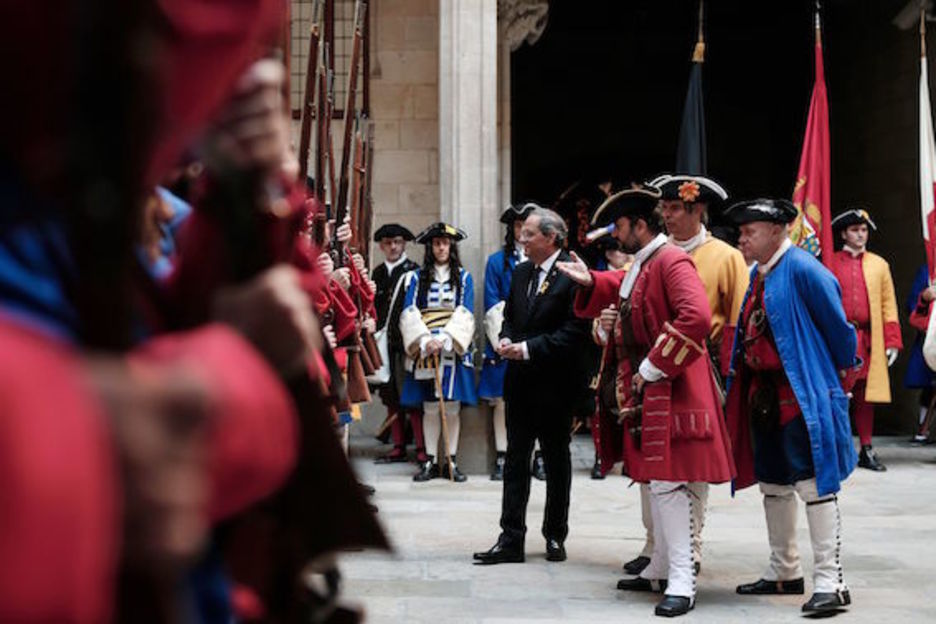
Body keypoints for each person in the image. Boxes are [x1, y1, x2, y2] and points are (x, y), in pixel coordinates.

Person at [557, 186, 736, 618]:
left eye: (620, 226)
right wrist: (592, 281)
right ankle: (660, 565)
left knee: (670, 485)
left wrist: (653, 366)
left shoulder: (671, 259)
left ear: (640, 225)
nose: (616, 235)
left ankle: (681, 579)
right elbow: (623, 286)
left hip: (674, 385)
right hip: (655, 390)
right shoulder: (648, 261)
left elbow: (693, 317)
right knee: (657, 481)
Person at [724, 198, 857, 617]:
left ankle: (830, 581)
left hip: (801, 396)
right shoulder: (760, 273)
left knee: (814, 485)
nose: (742, 237)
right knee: (774, 483)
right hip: (764, 398)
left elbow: (841, 333)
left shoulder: (803, 268)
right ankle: (784, 571)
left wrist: (833, 384)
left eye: (751, 231)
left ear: (778, 230)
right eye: (741, 231)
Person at [614, 174, 748, 576]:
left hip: (696, 370)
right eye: (665, 209)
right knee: (654, 468)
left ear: (697, 210)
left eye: (675, 209)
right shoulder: (656, 255)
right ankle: (657, 548)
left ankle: (688, 550)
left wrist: (728, 378)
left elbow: (735, 321)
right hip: (653, 372)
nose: (667, 216)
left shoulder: (724, 256)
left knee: (690, 468)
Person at [473, 207, 590, 566]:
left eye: (528, 235)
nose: (520, 241)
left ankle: (555, 534)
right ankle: (511, 538)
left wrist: (525, 349)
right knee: (515, 462)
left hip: (556, 384)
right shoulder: (521, 271)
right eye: (521, 234)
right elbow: (510, 316)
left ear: (551, 238)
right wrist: (506, 338)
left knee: (556, 462)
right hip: (519, 384)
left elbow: (574, 333)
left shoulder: (574, 274)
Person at [399, 223, 477, 482]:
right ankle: (431, 461)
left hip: (452, 347)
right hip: (424, 347)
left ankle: (451, 461)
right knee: (430, 407)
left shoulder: (464, 278)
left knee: (452, 406)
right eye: (436, 243)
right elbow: (408, 311)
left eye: (445, 243)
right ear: (430, 247)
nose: (441, 247)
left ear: (451, 246)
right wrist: (424, 340)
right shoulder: (415, 277)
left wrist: (444, 339)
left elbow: (466, 311)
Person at [828, 208, 902, 470]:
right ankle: (839, 448)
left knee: (865, 396)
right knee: (837, 392)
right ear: (843, 234)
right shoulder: (830, 262)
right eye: (855, 230)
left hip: (868, 338)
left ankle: (866, 448)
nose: (860, 235)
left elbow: (887, 304)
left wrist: (892, 341)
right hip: (839, 337)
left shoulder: (879, 265)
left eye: (864, 230)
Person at [479, 202, 547, 481]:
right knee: (503, 401)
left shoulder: (545, 258)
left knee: (540, 399)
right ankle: (503, 455)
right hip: (506, 338)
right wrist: (502, 341)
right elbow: (492, 302)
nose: (522, 232)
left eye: (527, 225)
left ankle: (539, 456)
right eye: (518, 226)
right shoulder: (497, 262)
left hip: (537, 340)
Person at [370, 223, 425, 464]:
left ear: (404, 245)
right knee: (390, 397)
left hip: (406, 345)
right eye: (389, 243)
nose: (393, 247)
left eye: (398, 242)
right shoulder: (378, 273)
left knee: (411, 398)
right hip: (384, 344)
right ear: (382, 246)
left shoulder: (413, 271)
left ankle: (422, 449)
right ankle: (398, 446)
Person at [905, 264, 936, 443]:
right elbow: (914, 307)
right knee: (929, 384)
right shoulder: (927, 270)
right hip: (931, 333)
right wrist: (925, 297)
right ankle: (923, 428)